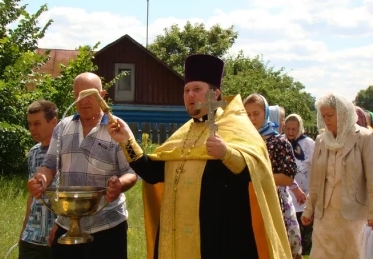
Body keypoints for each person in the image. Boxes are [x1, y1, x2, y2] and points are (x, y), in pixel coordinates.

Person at [108, 54, 292, 258]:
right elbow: (153, 173)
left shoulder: (236, 127)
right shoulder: (182, 134)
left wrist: (227, 153)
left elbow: (257, 174)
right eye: (186, 90)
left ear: (216, 94)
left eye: (197, 89)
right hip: (178, 238)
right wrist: (127, 140)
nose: (190, 95)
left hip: (221, 239)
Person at [27, 72, 138, 259]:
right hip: (66, 223)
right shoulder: (63, 127)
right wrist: (41, 179)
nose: (84, 100)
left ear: (102, 96)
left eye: (90, 95)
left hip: (107, 224)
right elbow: (49, 165)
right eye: (79, 95)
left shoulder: (118, 128)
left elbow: (132, 172)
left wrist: (119, 185)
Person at [301, 93, 373, 258]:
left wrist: (372, 213)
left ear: (343, 112)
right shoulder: (320, 140)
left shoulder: (364, 137)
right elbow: (315, 180)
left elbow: (371, 177)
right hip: (324, 213)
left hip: (351, 214)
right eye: (323, 115)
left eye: (330, 115)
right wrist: (308, 209)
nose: (327, 120)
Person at [244, 94, 301, 259]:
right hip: (247, 199)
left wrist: (256, 177)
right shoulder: (242, 141)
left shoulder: (279, 142)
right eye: (247, 114)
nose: (252, 118)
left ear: (266, 113)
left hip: (273, 200)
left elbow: (288, 177)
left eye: (256, 113)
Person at [19, 100, 58, 259]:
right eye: (29, 124)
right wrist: (23, 230)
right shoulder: (33, 152)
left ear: (53, 122)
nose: (32, 129)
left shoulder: (66, 151)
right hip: (32, 236)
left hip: (57, 234)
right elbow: (32, 196)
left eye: (37, 123)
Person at [284, 113, 315, 255]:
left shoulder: (309, 144)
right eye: (288, 129)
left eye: (294, 129)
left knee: (307, 242)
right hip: (289, 197)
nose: (290, 132)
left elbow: (317, 169)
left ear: (300, 128)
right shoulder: (281, 143)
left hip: (306, 198)